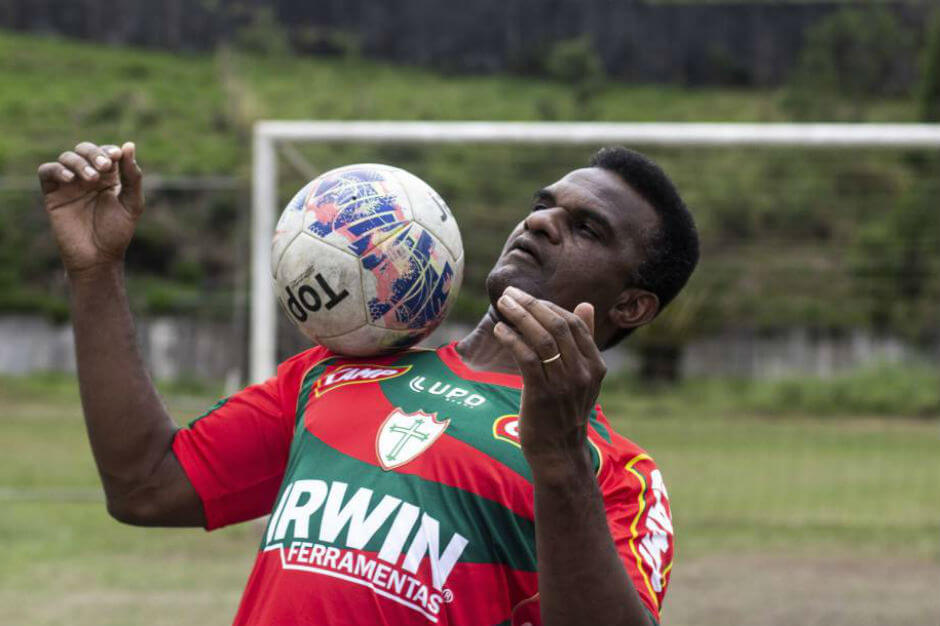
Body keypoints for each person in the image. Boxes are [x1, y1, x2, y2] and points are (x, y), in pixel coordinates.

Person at [37, 141, 698, 626]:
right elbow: (145, 486)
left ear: (633, 306)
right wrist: (95, 271)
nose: (540, 222)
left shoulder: (613, 474)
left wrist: (558, 461)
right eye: (543, 205)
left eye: (585, 228)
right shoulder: (346, 369)